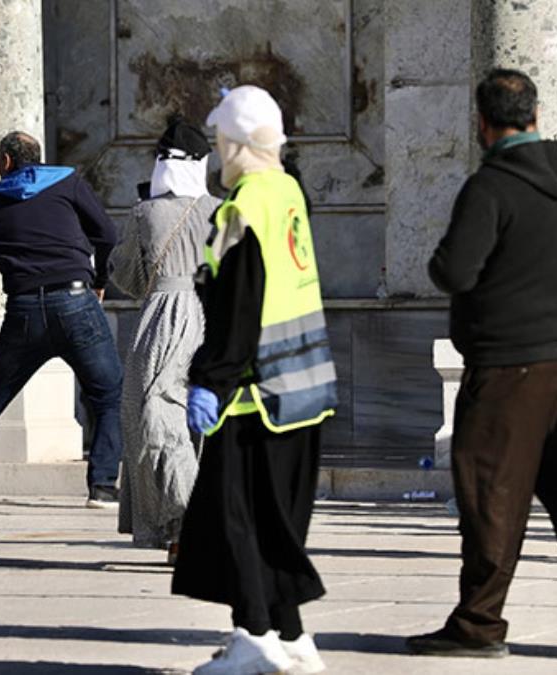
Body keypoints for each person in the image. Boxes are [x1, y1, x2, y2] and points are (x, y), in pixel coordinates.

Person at [407, 69, 557, 659]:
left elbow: (454, 271)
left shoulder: (491, 188)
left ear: (482, 124)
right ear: (534, 115)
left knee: (488, 488)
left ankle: (478, 625)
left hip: (508, 363)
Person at [175, 85, 336, 675]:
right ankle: (291, 636)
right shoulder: (289, 192)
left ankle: (256, 639)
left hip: (255, 393)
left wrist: (210, 382)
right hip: (306, 387)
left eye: (221, 143)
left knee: (234, 517)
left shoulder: (242, 207)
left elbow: (240, 304)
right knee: (279, 521)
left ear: (234, 144)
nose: (218, 154)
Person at [0, 131, 121, 506]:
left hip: (24, 311)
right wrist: (100, 281)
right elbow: (108, 233)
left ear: (7, 162)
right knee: (107, 395)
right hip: (77, 302)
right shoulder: (69, 184)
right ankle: (101, 485)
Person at [110, 120, 218, 556]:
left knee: (152, 415)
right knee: (194, 423)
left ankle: (186, 520)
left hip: (164, 318)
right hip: (215, 316)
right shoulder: (223, 209)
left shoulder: (145, 212)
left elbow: (129, 279)